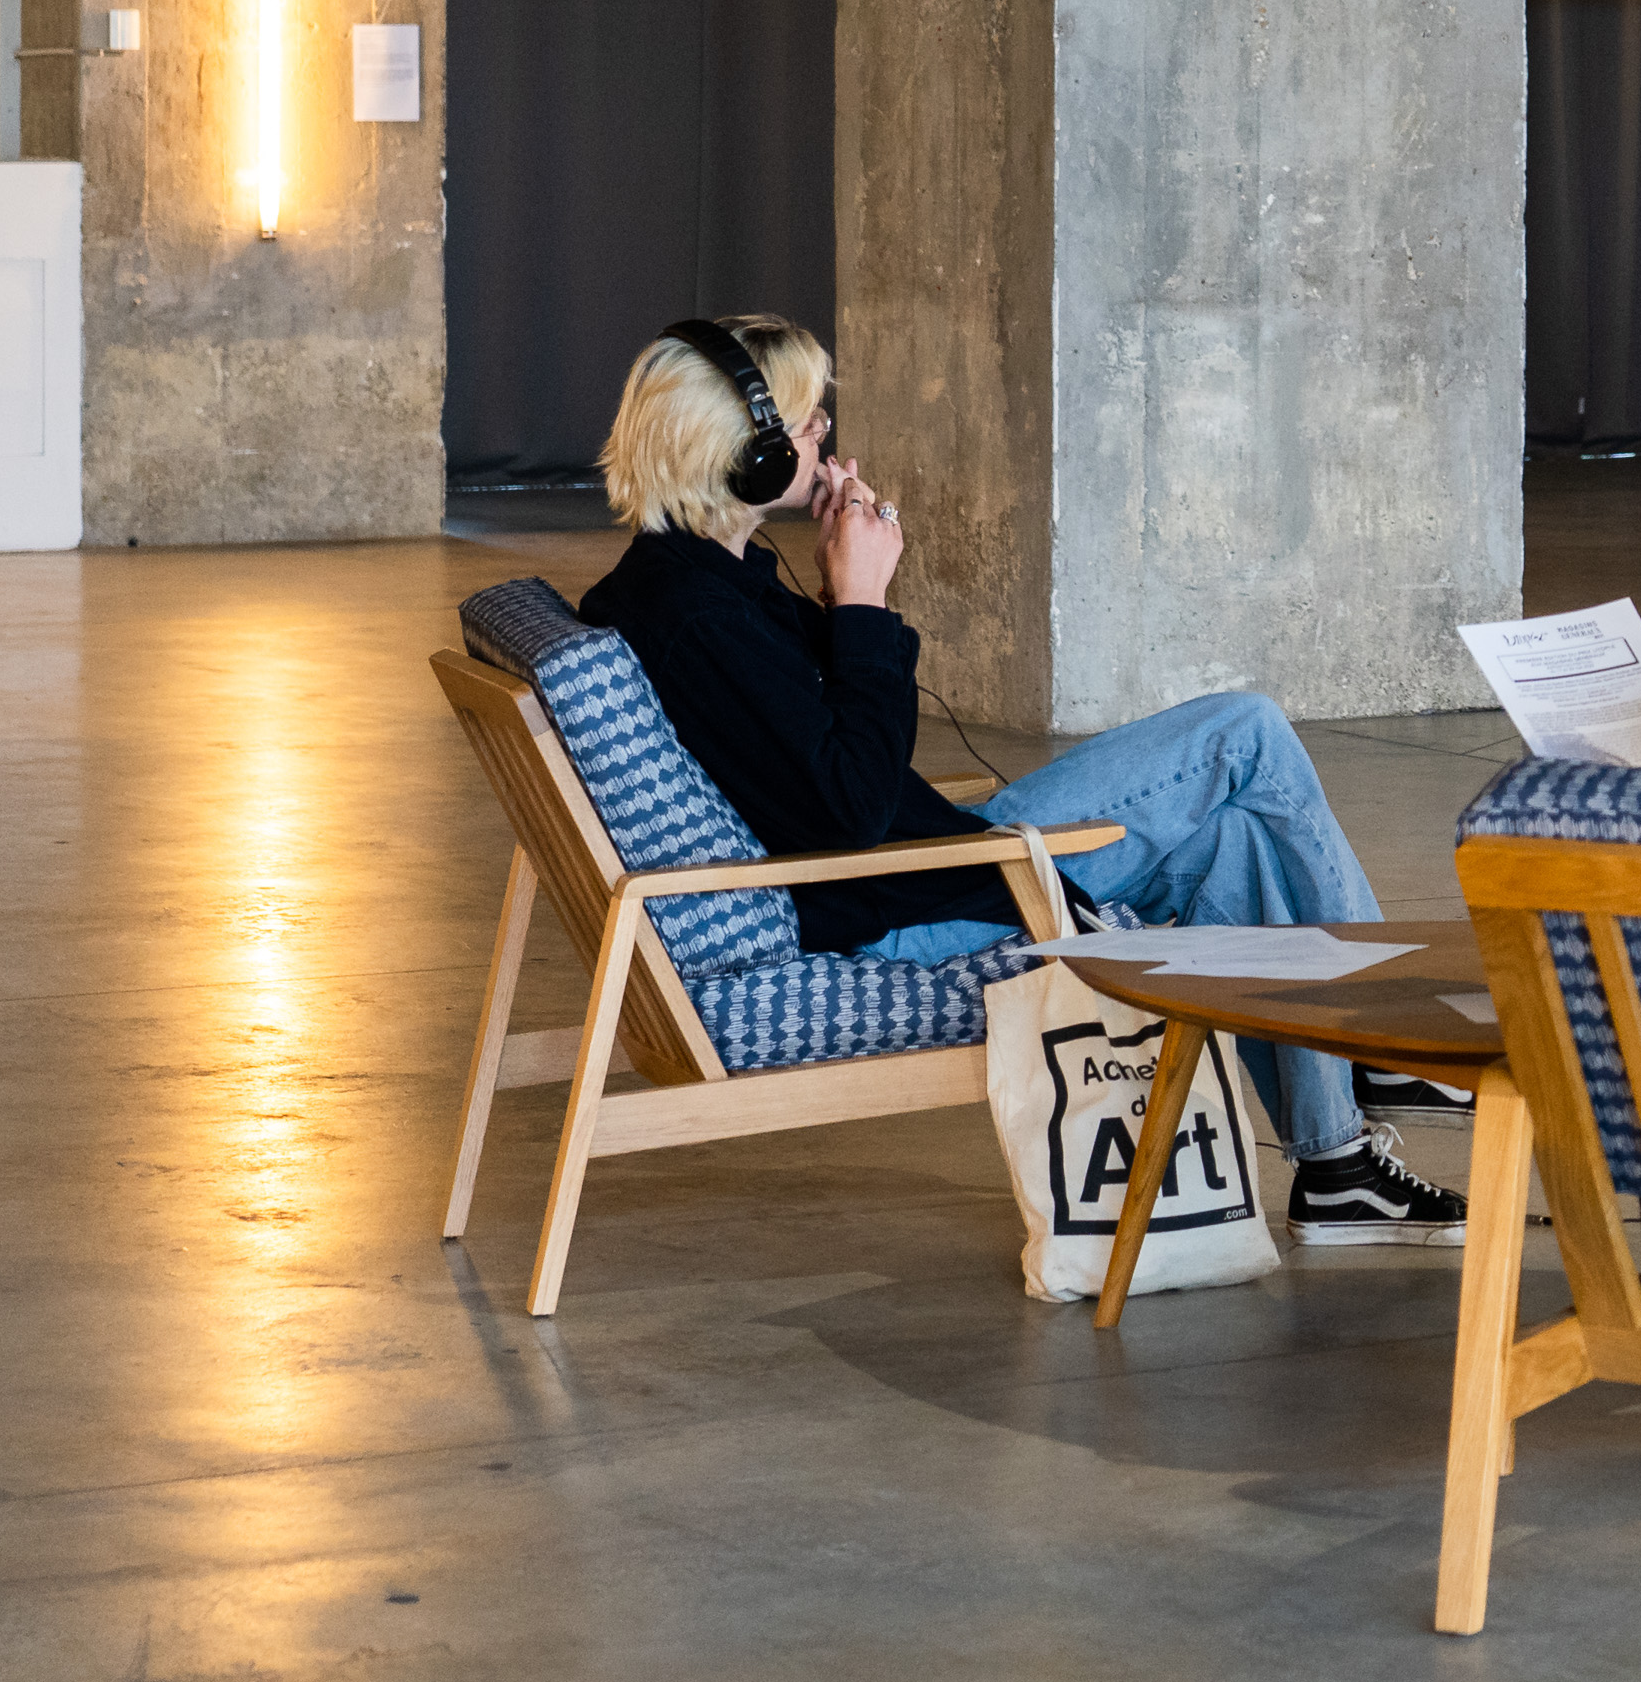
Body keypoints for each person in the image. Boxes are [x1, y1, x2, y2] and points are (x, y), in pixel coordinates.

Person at [573, 316, 1466, 1243]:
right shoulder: (698, 618)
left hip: (925, 861)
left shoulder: (696, 580)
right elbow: (852, 805)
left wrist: (848, 597)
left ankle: (1338, 1169)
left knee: (1234, 840)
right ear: (745, 452)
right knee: (1244, 733)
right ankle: (1391, 1037)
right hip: (894, 904)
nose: (825, 436)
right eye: (806, 423)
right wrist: (864, 602)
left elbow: (830, 753)